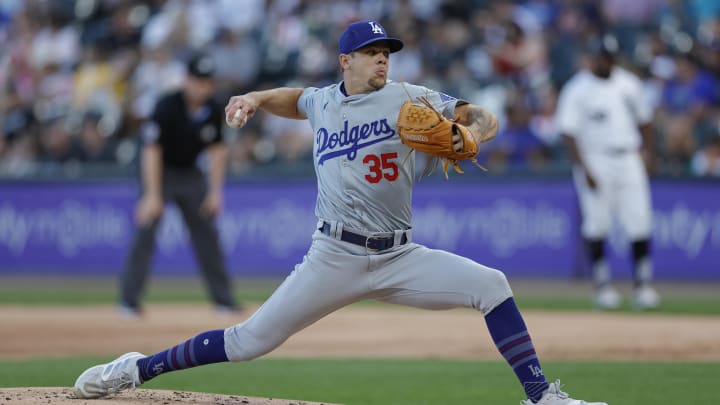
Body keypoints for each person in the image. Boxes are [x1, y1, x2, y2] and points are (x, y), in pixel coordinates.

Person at [74, 21, 607, 405]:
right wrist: (256, 98)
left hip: (399, 254)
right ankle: (135, 369)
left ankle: (542, 397)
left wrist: (472, 132)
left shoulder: (408, 96)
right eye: (372, 51)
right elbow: (294, 98)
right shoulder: (324, 101)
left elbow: (481, 115)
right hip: (334, 254)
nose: (382, 58)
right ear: (345, 60)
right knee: (247, 342)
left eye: (386, 51)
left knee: (492, 284)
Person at [118, 54, 239, 317]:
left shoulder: (213, 109)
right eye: (197, 81)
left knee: (207, 234)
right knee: (146, 232)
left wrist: (215, 192)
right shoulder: (167, 107)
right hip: (161, 173)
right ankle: (128, 302)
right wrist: (151, 194)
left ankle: (224, 301)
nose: (202, 87)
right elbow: (151, 151)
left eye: (207, 82)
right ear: (186, 80)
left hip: (192, 174)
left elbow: (218, 151)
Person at [556, 34, 660, 310]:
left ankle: (643, 285)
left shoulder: (629, 84)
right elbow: (568, 133)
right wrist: (583, 168)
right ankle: (602, 286)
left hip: (629, 156)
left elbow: (646, 121)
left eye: (608, 57)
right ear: (592, 57)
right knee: (597, 222)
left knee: (639, 220)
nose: (604, 61)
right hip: (595, 159)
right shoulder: (577, 88)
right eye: (600, 56)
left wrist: (648, 154)